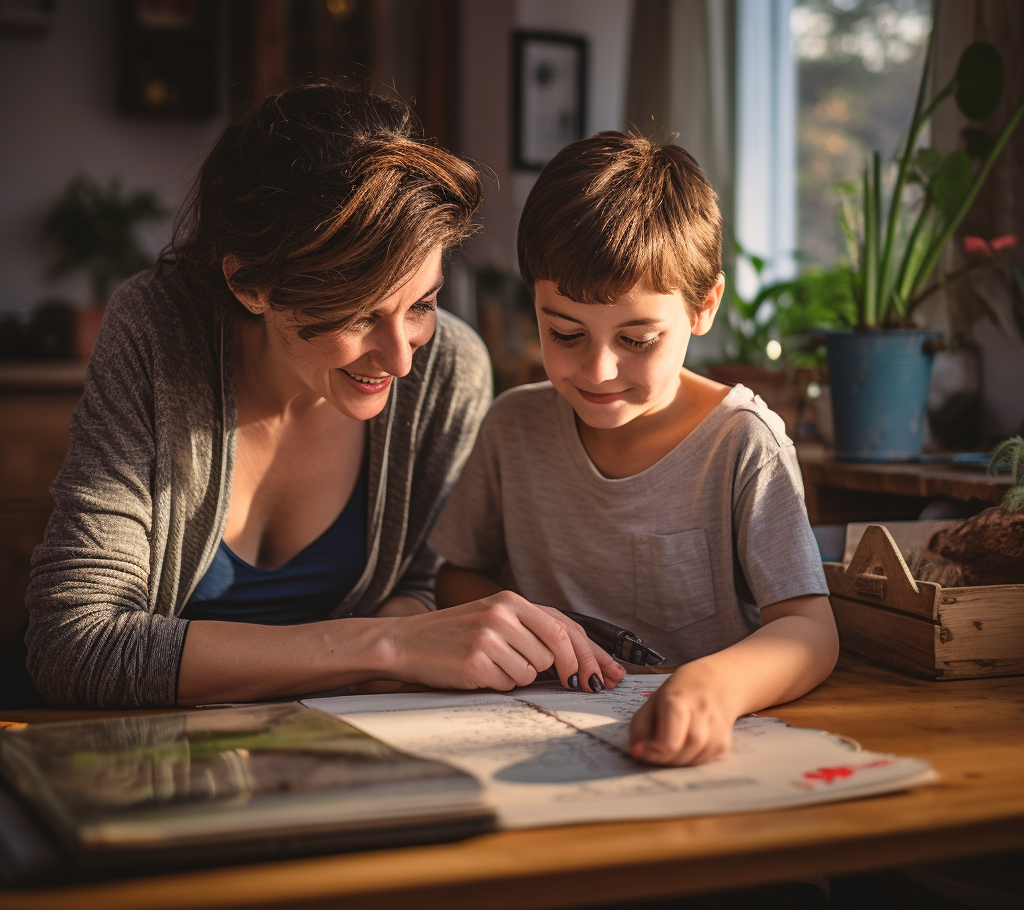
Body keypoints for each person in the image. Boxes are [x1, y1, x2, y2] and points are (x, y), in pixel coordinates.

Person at [24, 83, 619, 709]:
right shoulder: (157, 333)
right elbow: (74, 642)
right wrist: (387, 647)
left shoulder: (449, 369)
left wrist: (412, 638)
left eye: (422, 304)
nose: (401, 358)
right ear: (250, 284)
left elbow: (416, 585)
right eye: (358, 315)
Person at [431, 132, 839, 766]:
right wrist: (520, 625)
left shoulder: (741, 443)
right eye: (564, 332)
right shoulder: (513, 427)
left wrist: (712, 686)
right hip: (526, 733)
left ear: (704, 307)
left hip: (691, 749)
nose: (597, 369)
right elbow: (457, 575)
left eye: (638, 339)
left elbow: (811, 631)